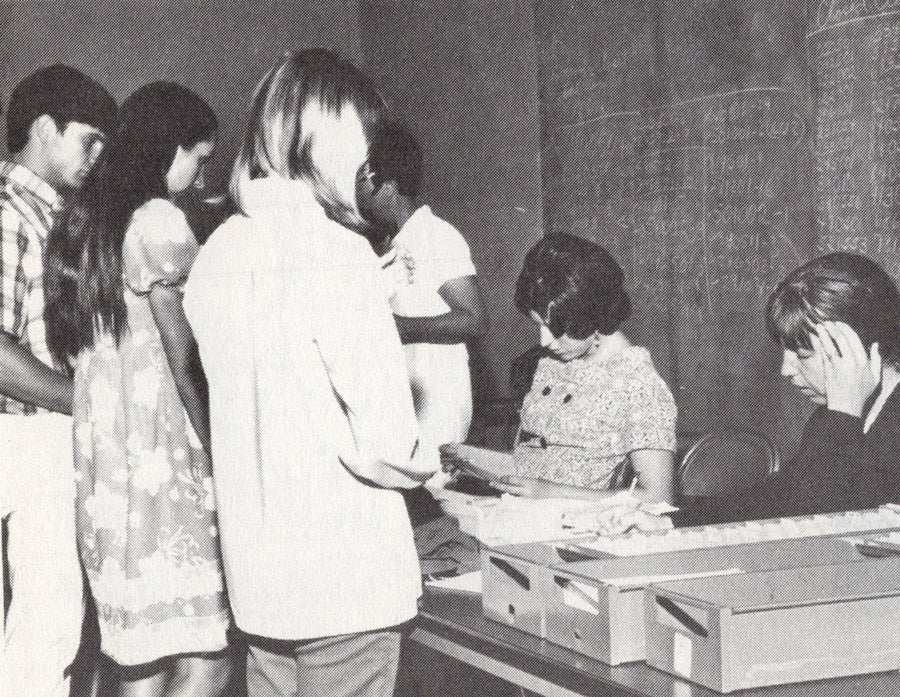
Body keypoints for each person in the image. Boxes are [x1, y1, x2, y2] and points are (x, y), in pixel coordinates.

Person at [183, 49, 438, 697]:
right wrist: (424, 460)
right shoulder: (338, 252)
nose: (367, 159)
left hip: (263, 583)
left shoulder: (217, 253)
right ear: (320, 134)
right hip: (345, 580)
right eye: (361, 137)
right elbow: (388, 441)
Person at [44, 82, 231, 696]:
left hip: (109, 473)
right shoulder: (158, 221)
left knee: (137, 655)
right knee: (205, 655)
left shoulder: (84, 222)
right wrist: (221, 449)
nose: (202, 171)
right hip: (164, 463)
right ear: (167, 148)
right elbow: (185, 357)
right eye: (198, 156)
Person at [597, 251, 900, 534]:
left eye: (803, 354)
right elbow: (776, 499)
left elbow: (818, 521)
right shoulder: (834, 418)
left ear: (859, 349)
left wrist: (844, 413)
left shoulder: (847, 416)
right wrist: (669, 522)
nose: (787, 369)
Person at [0, 64, 115, 697]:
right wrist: (83, 400)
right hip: (24, 434)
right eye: (88, 141)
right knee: (48, 629)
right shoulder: (12, 213)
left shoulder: (49, 216)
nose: (96, 158)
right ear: (46, 127)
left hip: (35, 432)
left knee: (44, 627)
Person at [487, 233, 677, 503]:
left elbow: (658, 498)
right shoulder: (558, 360)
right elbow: (535, 460)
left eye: (556, 329)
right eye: (539, 326)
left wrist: (551, 494)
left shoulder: (637, 383)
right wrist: (473, 461)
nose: (545, 342)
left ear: (591, 315)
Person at [357, 123, 487, 457]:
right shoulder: (390, 245)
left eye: (360, 181)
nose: (355, 193)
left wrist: (398, 328)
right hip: (405, 406)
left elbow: (474, 319)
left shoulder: (435, 235)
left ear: (384, 185)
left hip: (437, 409)